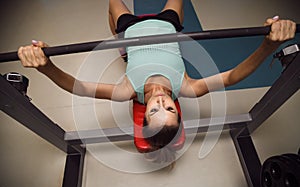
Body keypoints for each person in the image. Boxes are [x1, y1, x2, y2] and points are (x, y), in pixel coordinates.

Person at [18, 0, 296, 165]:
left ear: (143, 115)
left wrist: (47, 66)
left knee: (113, 3)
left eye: (153, 111)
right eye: (170, 109)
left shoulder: (127, 91)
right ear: (178, 108)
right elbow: (233, 76)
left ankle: (119, 41)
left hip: (130, 31)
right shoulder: (186, 87)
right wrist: (268, 45)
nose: (162, 102)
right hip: (168, 26)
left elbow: (79, 88)